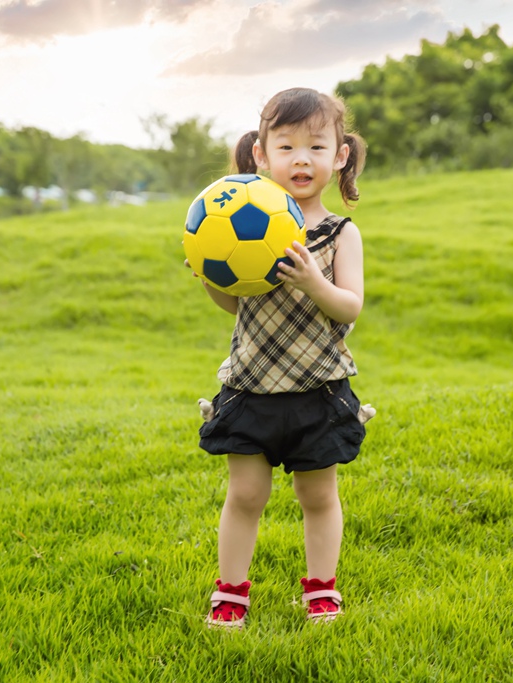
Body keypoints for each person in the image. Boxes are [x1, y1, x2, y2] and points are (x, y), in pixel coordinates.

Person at [188, 87, 375, 629]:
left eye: (316, 147)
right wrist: (210, 277)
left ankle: (321, 591)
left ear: (339, 156)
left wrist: (314, 281)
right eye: (286, 146)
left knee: (317, 494)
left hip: (318, 389)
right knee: (245, 494)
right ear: (261, 155)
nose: (301, 159)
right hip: (251, 387)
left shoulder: (340, 234)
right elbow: (235, 305)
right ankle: (231, 593)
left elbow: (349, 306)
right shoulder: (243, 222)